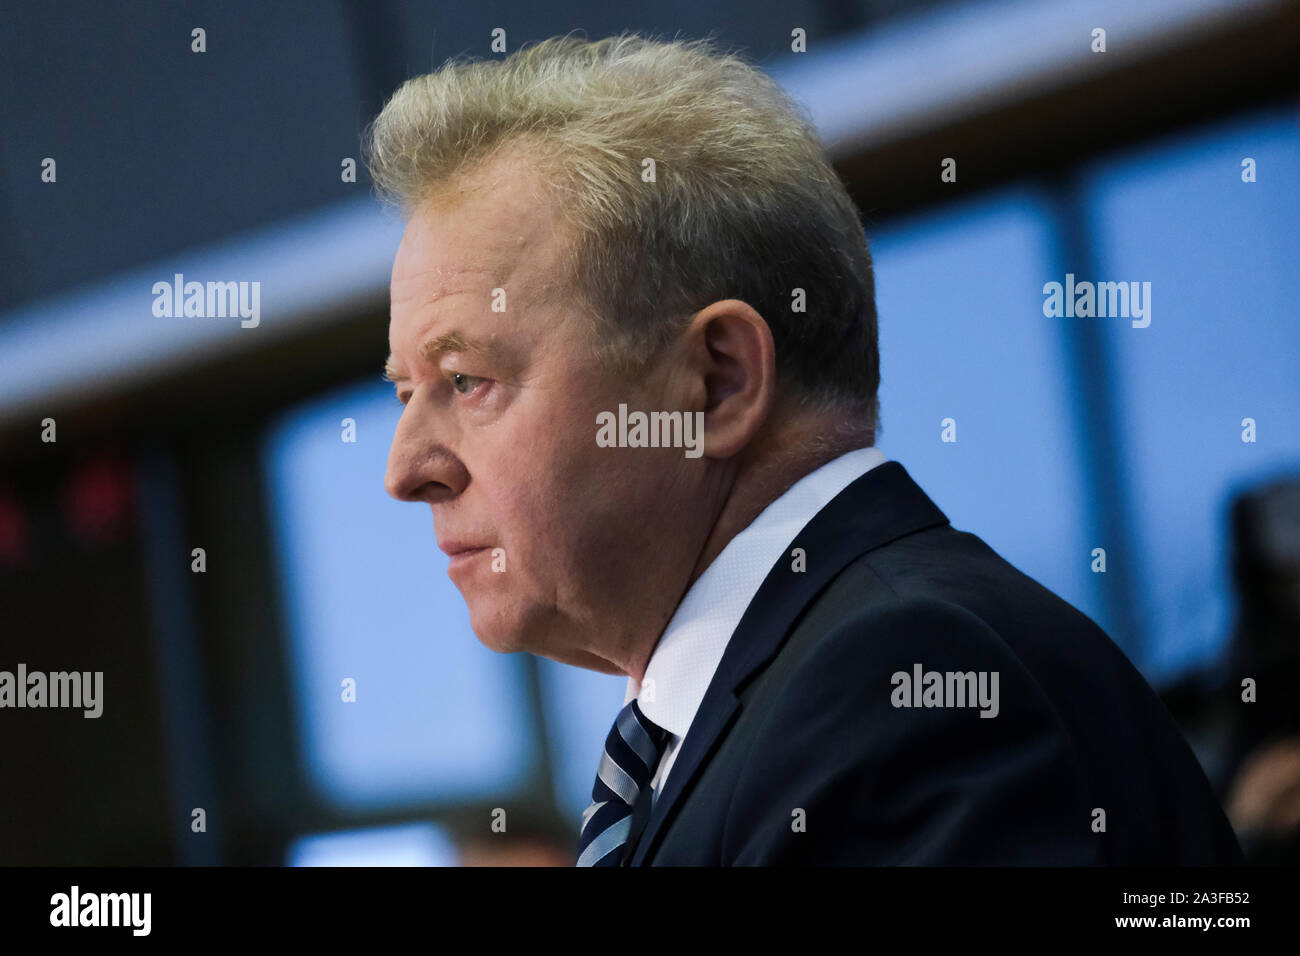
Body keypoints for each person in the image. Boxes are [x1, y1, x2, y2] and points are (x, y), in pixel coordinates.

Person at [368, 33, 1242, 866]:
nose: (405, 472)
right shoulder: (766, 703)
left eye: (466, 380)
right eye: (407, 394)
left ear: (716, 382)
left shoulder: (898, 680)